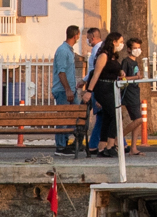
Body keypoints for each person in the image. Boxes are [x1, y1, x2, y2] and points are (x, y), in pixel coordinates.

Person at [85, 33, 125, 157]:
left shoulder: (114, 56)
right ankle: (110, 145)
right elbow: (96, 74)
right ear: (114, 41)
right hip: (103, 88)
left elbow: (112, 70)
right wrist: (89, 91)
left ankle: (101, 148)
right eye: (120, 41)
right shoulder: (103, 55)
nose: (121, 44)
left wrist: (120, 72)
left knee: (108, 117)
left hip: (112, 88)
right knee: (116, 115)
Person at [52, 25, 83, 155]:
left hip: (70, 89)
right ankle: (61, 146)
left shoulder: (69, 50)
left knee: (76, 117)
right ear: (76, 35)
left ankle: (69, 142)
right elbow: (61, 72)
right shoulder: (63, 51)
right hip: (63, 91)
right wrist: (68, 90)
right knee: (63, 118)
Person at [119, 38, 146, 148]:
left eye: (139, 48)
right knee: (139, 119)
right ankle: (119, 137)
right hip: (129, 92)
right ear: (129, 49)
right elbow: (122, 78)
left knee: (137, 120)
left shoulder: (135, 62)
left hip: (135, 92)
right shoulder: (126, 61)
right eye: (135, 48)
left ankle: (133, 147)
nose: (137, 50)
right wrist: (136, 77)